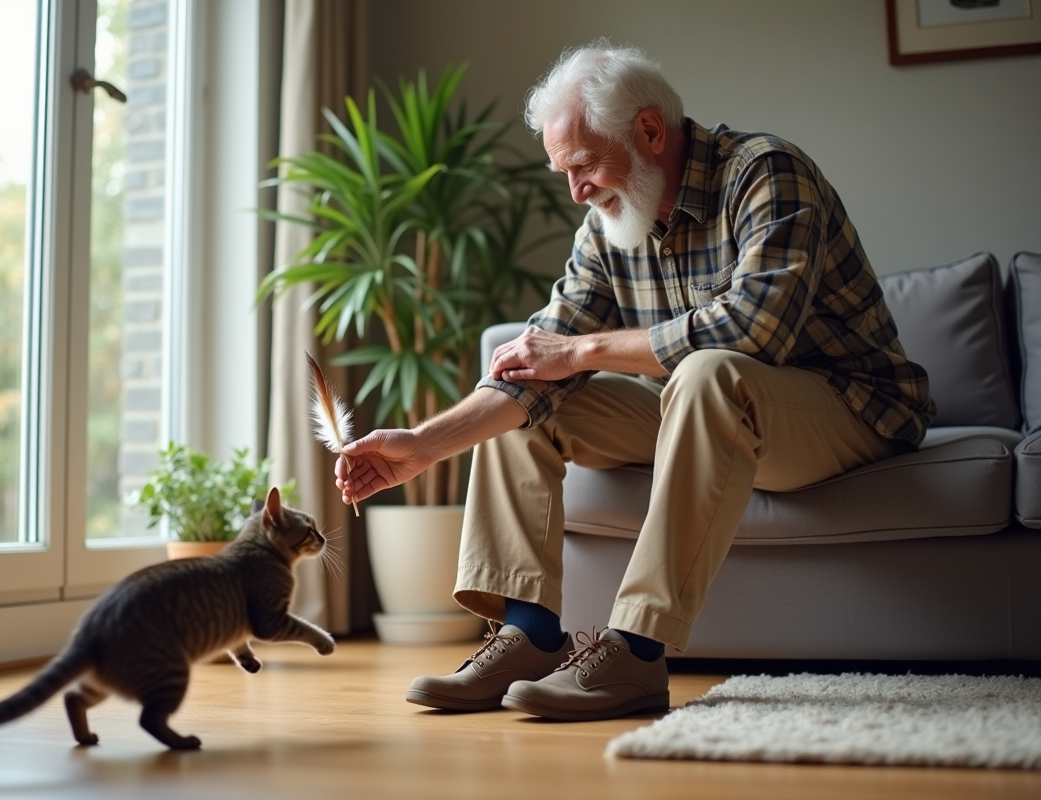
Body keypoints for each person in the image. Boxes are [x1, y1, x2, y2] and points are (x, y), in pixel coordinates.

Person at [334, 42, 935, 722]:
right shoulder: (607, 226)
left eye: (584, 164)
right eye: (564, 171)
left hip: (848, 409)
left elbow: (753, 333)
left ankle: (637, 653)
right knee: (525, 377)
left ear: (650, 131)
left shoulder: (768, 172)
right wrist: (422, 441)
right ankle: (529, 635)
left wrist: (584, 348)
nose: (577, 191)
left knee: (707, 371)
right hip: (708, 413)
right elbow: (540, 362)